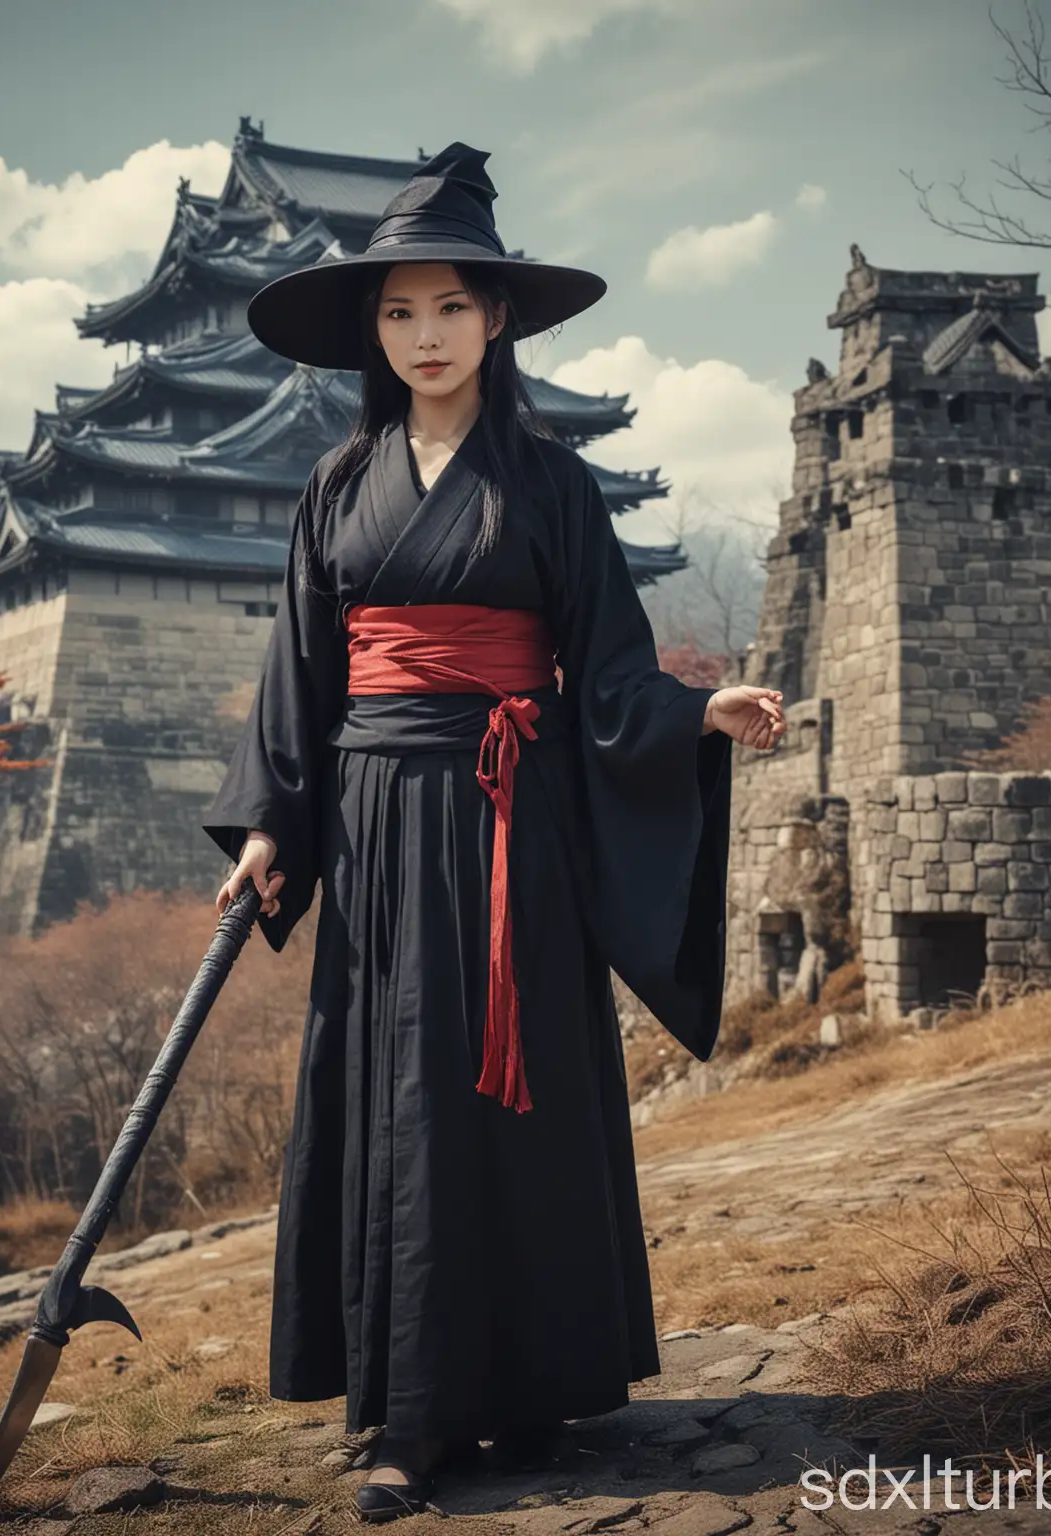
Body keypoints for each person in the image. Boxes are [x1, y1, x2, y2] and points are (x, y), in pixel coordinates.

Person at [203, 142, 786, 1523]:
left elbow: (613, 674)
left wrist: (699, 717)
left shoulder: (554, 489)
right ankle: (411, 1415)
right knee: (402, 1099)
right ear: (375, 330)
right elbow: (302, 673)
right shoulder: (336, 490)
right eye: (398, 314)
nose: (423, 336)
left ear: (498, 318)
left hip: (512, 820)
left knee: (507, 1092)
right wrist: (272, 822)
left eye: (449, 310)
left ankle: (524, 1388)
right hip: (379, 819)